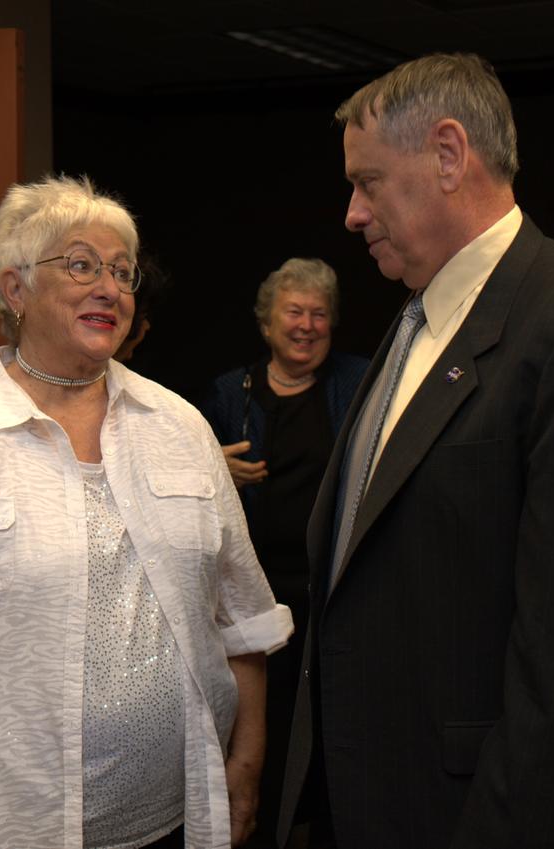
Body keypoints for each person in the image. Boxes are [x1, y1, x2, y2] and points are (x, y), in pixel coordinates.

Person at [277, 54, 554, 849]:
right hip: (385, 793)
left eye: (368, 182)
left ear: (447, 154)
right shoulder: (418, 317)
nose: (352, 214)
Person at [0, 175, 293, 849]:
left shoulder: (181, 428)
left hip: (180, 823)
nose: (110, 287)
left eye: (122, 272)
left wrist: (244, 772)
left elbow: (245, 619)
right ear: (15, 289)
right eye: (80, 264)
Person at [199, 258, 367, 848]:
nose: (307, 325)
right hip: (254, 598)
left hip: (330, 591)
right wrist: (214, 467)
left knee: (330, 726)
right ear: (267, 324)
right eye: (294, 312)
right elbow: (191, 484)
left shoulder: (358, 382)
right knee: (255, 727)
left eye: (319, 314)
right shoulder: (228, 392)